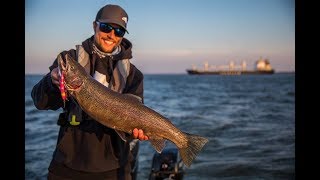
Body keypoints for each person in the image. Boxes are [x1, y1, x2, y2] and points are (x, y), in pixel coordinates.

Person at [31, 4, 148, 180]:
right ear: (95, 25)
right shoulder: (69, 59)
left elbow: (134, 122)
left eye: (119, 31)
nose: (112, 35)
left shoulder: (133, 75)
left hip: (114, 167)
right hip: (67, 164)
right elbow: (40, 102)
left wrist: (136, 131)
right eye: (106, 27)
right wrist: (51, 81)